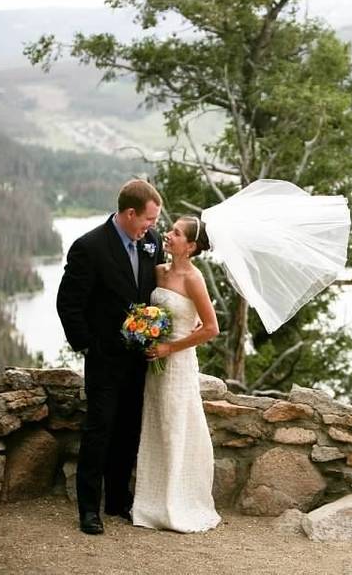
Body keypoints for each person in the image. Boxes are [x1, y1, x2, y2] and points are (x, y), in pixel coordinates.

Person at [56, 179, 164, 535]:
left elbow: (154, 295)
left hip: (140, 358)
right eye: (148, 219)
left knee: (129, 430)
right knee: (99, 430)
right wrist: (90, 345)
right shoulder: (89, 247)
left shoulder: (153, 243)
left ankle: (119, 500)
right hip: (105, 358)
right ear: (129, 213)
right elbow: (69, 304)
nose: (153, 226)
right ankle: (89, 509)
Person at [131, 215, 221, 532]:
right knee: (154, 425)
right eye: (170, 230)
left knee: (174, 427)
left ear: (192, 246)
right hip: (154, 364)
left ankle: (176, 502)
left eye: (177, 233)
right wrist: (146, 331)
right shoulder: (158, 270)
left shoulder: (194, 279)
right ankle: (150, 502)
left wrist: (171, 348)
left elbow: (211, 328)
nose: (168, 234)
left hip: (178, 364)